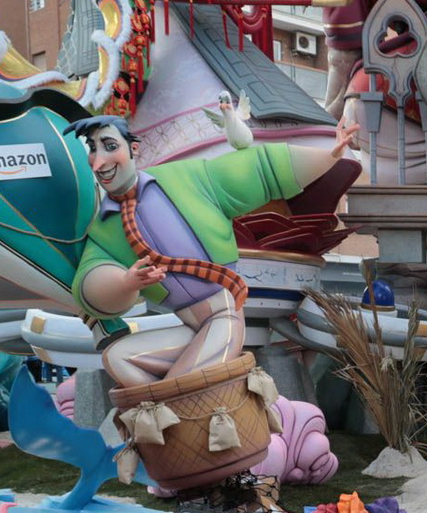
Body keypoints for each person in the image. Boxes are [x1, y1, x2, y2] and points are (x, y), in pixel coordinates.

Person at [65, 115, 359, 387]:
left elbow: (258, 170)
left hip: (223, 315)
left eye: (110, 146)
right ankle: (167, 414)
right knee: (117, 357)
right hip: (187, 325)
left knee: (183, 385)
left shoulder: (185, 178)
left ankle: (170, 411)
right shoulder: (103, 227)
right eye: (92, 149)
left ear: (134, 148)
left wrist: (330, 155)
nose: (99, 161)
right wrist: (125, 283)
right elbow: (89, 283)